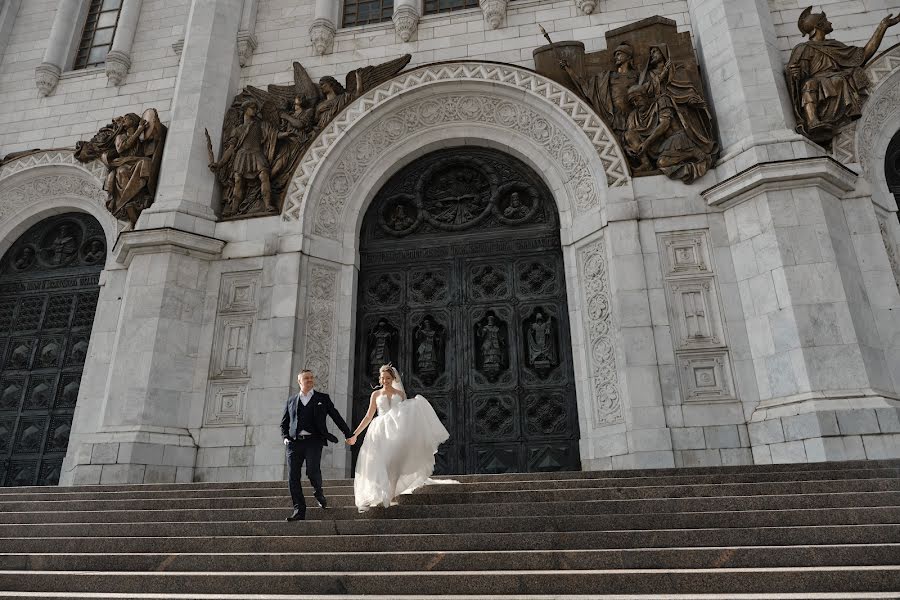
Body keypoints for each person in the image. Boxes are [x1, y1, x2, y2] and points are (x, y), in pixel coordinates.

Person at [348, 364, 456, 512]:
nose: (385, 380)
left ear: (393, 378)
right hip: (379, 432)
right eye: (383, 378)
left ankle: (391, 495)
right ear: (380, 379)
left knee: (395, 464)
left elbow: (407, 414)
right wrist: (355, 434)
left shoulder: (400, 394)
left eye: (388, 378)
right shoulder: (376, 395)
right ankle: (380, 493)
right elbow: (368, 416)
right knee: (381, 463)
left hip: (397, 433)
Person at [280, 369, 352, 521]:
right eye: (306, 378)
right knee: (293, 477)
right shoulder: (291, 400)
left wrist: (348, 434)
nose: (310, 380)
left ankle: (318, 493)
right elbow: (284, 423)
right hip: (294, 443)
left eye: (311, 378)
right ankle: (299, 510)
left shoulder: (322, 398)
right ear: (299, 382)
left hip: (314, 441)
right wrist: (285, 438)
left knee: (312, 471)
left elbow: (336, 416)